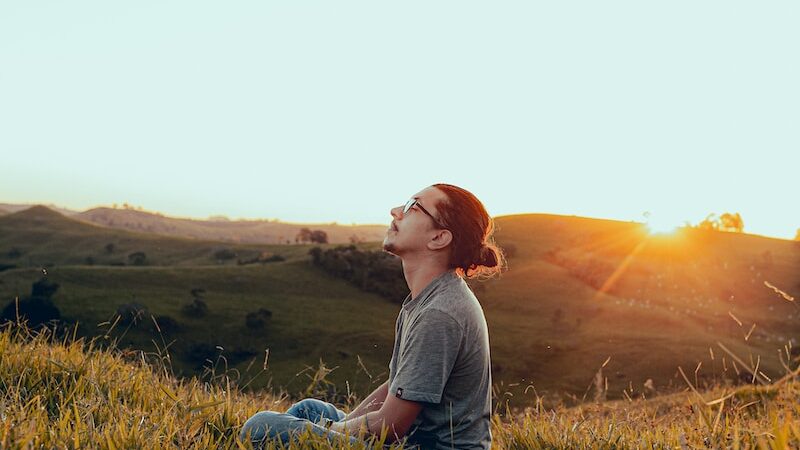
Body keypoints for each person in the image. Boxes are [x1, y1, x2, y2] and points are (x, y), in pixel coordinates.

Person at [240, 183, 503, 449]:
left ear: (438, 238)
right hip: (412, 440)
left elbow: (392, 425)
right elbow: (396, 386)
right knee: (310, 410)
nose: (396, 211)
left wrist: (331, 432)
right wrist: (337, 431)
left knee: (260, 426)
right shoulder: (428, 298)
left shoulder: (440, 313)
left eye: (413, 206)